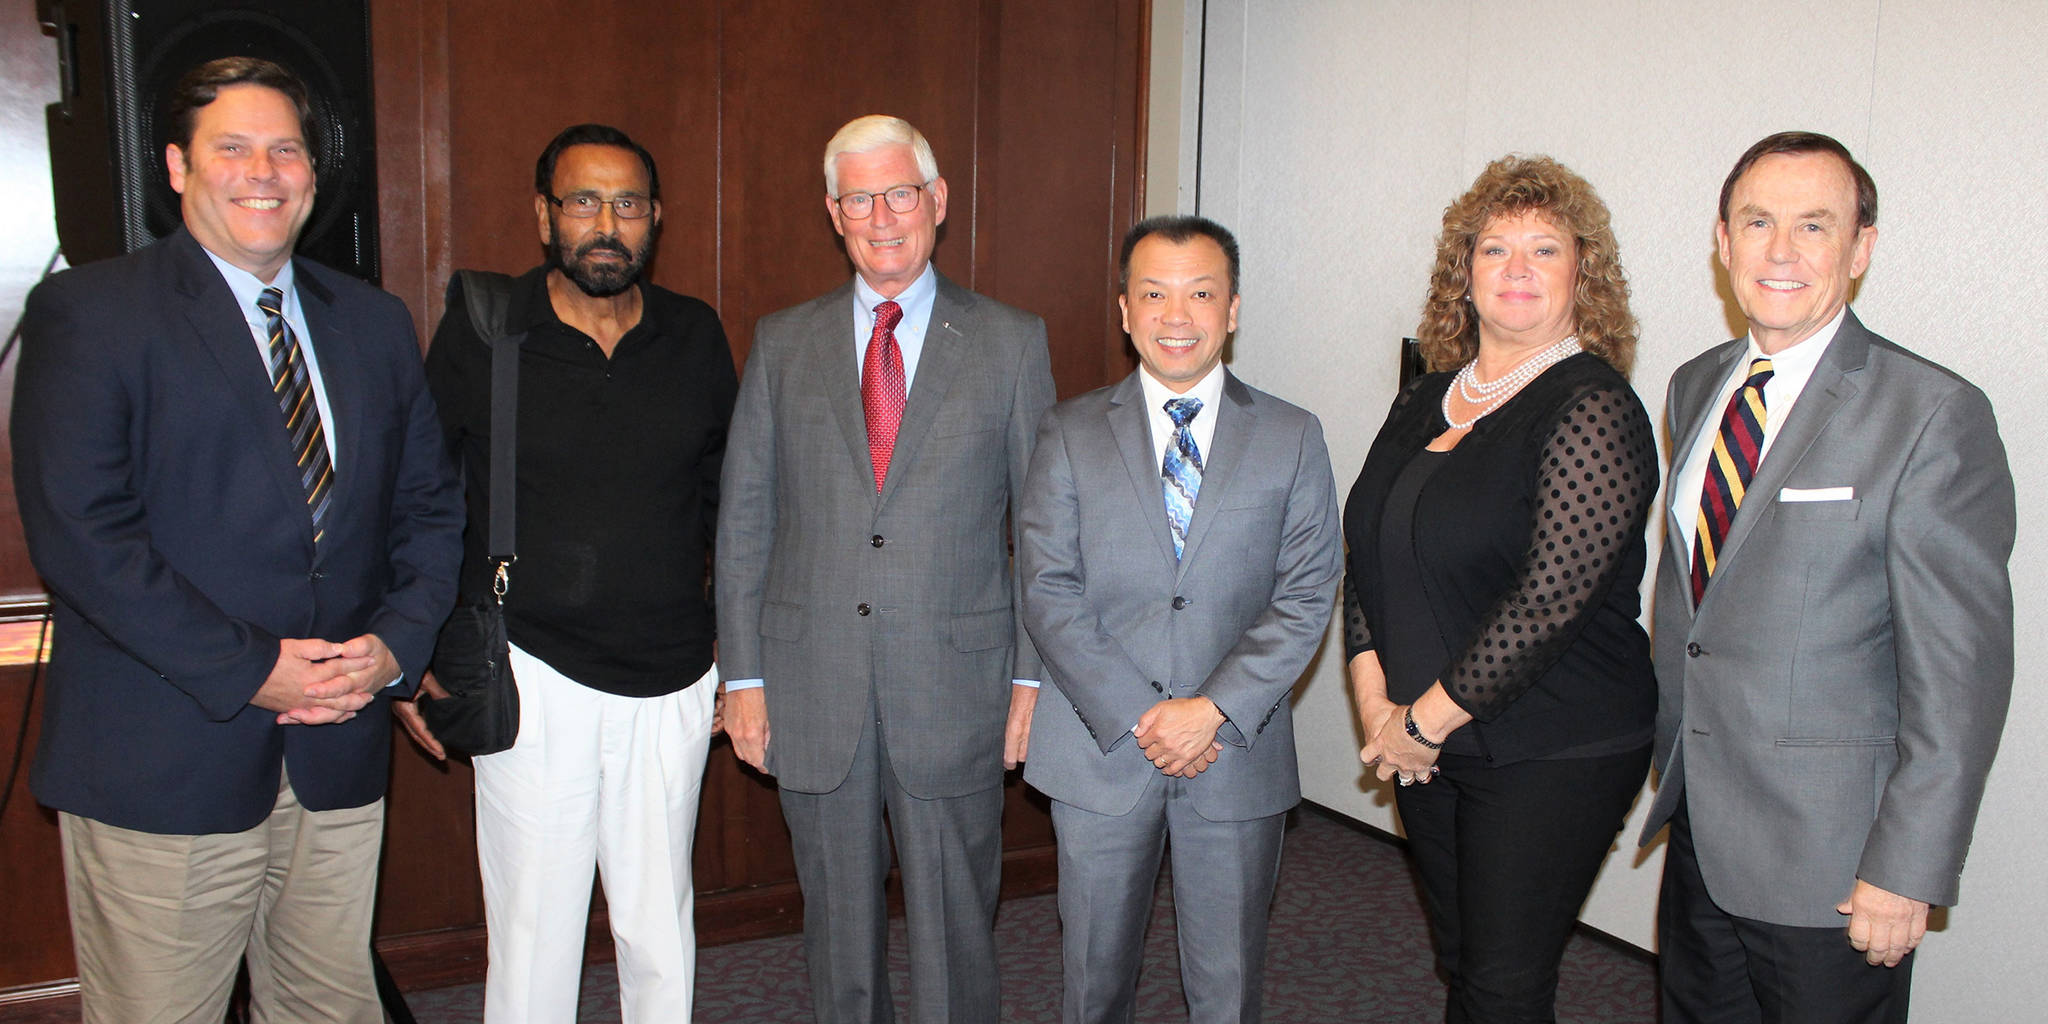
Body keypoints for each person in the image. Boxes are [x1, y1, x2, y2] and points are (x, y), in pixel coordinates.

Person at [9, 56, 463, 1023]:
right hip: (166, 758)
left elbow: (429, 508)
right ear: (177, 167)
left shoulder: (374, 324)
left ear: (312, 173)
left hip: (338, 746)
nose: (264, 170)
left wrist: (393, 647)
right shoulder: (91, 315)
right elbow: (85, 539)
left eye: (286, 149)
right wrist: (254, 668)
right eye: (234, 148)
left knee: (329, 1008)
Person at [1640, 131, 2015, 1024]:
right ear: (1722, 241)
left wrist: (1906, 867)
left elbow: (1959, 677)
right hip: (1702, 834)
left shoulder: (1931, 416)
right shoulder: (1697, 386)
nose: (1780, 251)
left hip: (1838, 870)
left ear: (1862, 247)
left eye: (1815, 225)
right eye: (1757, 221)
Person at [715, 114, 1056, 1024]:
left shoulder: (1014, 342)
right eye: (858, 198)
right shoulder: (783, 343)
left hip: (957, 688)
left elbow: (1044, 532)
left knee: (955, 936)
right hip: (810, 687)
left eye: (898, 192)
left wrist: (1030, 675)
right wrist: (741, 676)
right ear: (833, 214)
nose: (881, 216)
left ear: (937, 200)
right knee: (837, 938)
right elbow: (745, 517)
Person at [392, 124, 736, 1022]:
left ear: (655, 218)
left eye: (626, 204)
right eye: (583, 201)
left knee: (661, 930)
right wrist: (406, 645)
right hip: (530, 671)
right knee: (536, 933)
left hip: (673, 679)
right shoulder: (485, 327)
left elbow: (727, 504)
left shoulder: (694, 333)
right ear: (545, 216)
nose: (605, 224)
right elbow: (420, 498)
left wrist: (735, 656)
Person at [1344, 155, 1659, 1023]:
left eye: (1544, 249)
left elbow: (1549, 602)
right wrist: (1378, 708)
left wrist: (1421, 721)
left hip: (1552, 744)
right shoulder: (1428, 398)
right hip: (1425, 736)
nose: (1516, 269)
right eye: (1494, 249)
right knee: (1465, 962)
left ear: (1582, 276)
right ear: (1464, 275)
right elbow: (1368, 552)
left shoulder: (1592, 407)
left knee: (1503, 984)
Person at [1018, 215, 1341, 1023]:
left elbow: (1306, 592)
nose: (1177, 316)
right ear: (1124, 310)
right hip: (1100, 752)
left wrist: (1212, 710)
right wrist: (1141, 715)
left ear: (1232, 310)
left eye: (1201, 294)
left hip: (1234, 753)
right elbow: (1048, 587)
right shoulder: (1067, 431)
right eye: (1154, 294)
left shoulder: (1294, 436)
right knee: (1093, 984)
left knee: (1228, 987)